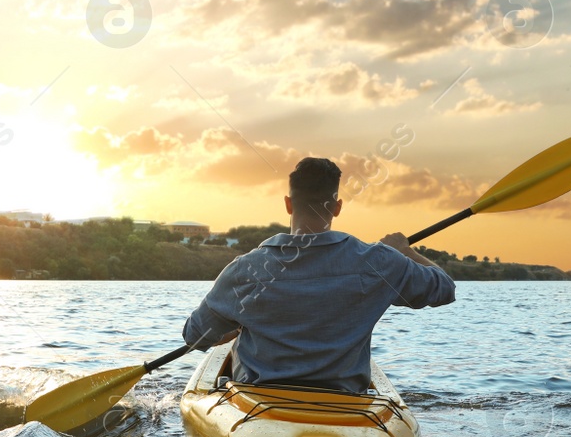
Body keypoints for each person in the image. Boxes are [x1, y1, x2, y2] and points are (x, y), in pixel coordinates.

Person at [182, 156, 455, 393]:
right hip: (345, 405)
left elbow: (195, 336)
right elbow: (445, 288)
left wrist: (237, 325)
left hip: (259, 403)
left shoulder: (246, 269)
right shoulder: (380, 261)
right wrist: (405, 252)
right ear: (337, 207)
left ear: (288, 204)